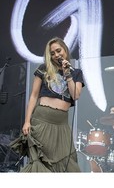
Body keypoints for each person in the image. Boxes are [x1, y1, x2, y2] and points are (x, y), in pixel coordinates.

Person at [12, 37, 84, 172]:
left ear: (65, 50)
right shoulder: (44, 69)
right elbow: (33, 96)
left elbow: (75, 95)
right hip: (42, 120)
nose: (56, 55)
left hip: (61, 124)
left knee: (69, 165)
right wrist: (27, 121)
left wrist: (68, 73)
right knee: (41, 165)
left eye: (58, 51)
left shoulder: (76, 73)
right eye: (52, 53)